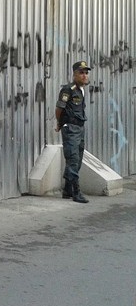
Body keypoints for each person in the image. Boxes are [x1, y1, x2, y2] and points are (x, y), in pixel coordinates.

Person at [55, 60, 91, 204]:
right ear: (74, 74)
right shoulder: (68, 90)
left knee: (78, 159)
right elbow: (59, 109)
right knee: (73, 159)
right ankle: (76, 192)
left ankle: (67, 190)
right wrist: (60, 123)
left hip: (79, 128)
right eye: (81, 73)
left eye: (86, 73)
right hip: (70, 128)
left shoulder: (81, 90)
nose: (84, 75)